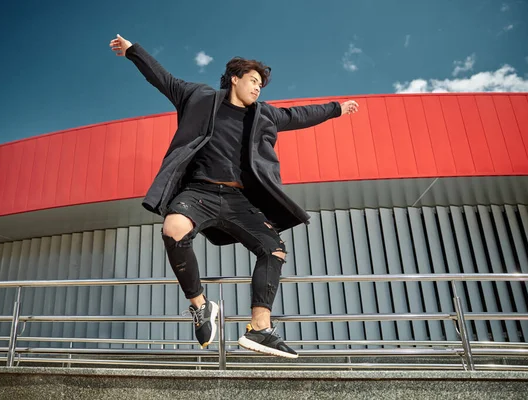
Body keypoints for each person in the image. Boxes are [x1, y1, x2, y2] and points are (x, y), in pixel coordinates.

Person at [110, 34, 359, 359]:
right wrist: (133, 51)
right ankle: (200, 306)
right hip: (199, 192)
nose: (257, 88)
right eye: (253, 81)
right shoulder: (198, 97)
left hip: (241, 200)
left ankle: (260, 328)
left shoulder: (264, 115)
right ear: (234, 78)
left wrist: (336, 109)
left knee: (274, 249)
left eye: (261, 85)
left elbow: (299, 115)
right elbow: (163, 78)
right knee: (173, 229)